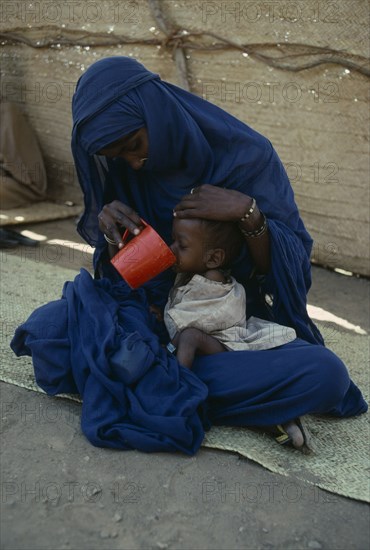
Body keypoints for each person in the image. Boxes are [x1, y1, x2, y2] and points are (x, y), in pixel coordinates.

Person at [11, 57, 367, 456]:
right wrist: (115, 239)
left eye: (134, 146)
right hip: (154, 320)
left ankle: (156, 383)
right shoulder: (130, 171)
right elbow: (129, 282)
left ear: (158, 115)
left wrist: (248, 215)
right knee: (47, 334)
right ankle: (244, 402)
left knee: (324, 374)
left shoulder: (248, 157)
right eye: (119, 156)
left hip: (232, 331)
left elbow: (286, 275)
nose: (134, 163)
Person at [164, 216, 297, 370]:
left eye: (182, 245)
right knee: (186, 336)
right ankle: (168, 353)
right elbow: (184, 306)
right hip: (203, 339)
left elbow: (195, 318)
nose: (171, 248)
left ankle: (176, 377)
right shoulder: (189, 275)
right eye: (173, 240)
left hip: (223, 342)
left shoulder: (213, 280)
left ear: (214, 258)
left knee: (190, 337)